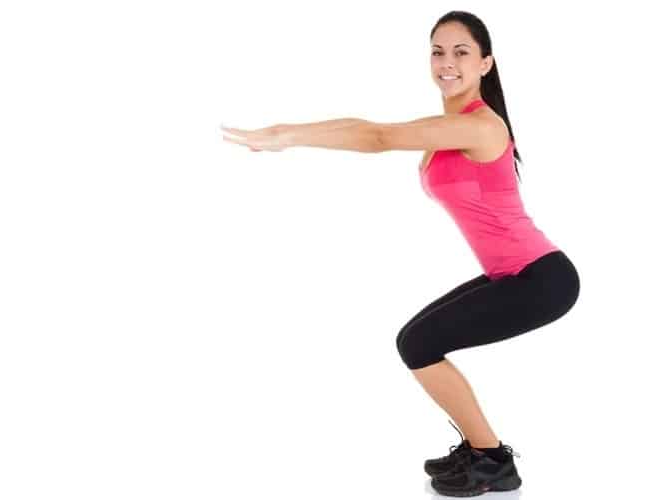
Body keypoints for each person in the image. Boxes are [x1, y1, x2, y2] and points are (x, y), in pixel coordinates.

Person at [221, 10, 579, 497]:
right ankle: (483, 453)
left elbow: (379, 137)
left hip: (541, 279)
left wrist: (289, 136)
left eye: (461, 52)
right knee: (416, 339)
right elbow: (371, 127)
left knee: (418, 344)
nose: (446, 62)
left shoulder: (480, 127)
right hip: (515, 274)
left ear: (485, 63)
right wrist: (286, 129)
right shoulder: (451, 124)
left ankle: (493, 461)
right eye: (438, 51)